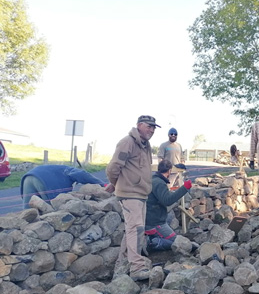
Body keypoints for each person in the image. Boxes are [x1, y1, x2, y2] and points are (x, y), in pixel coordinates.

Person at [106, 114, 159, 281]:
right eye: (148, 126)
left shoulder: (146, 145)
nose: (151, 130)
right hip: (130, 193)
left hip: (141, 193)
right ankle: (136, 268)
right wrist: (115, 183)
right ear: (139, 125)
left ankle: (121, 266)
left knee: (132, 228)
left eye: (153, 127)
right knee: (136, 228)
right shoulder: (127, 142)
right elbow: (113, 167)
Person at [145, 159, 193, 251]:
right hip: (156, 223)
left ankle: (153, 240)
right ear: (170, 171)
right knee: (177, 243)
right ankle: (152, 243)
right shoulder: (159, 183)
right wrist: (185, 188)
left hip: (152, 220)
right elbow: (167, 200)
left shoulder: (154, 180)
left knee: (176, 241)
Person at [20, 165, 107, 209]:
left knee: (28, 210)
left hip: (29, 177)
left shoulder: (59, 168)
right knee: (53, 208)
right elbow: (83, 175)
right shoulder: (70, 170)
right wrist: (104, 185)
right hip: (45, 180)